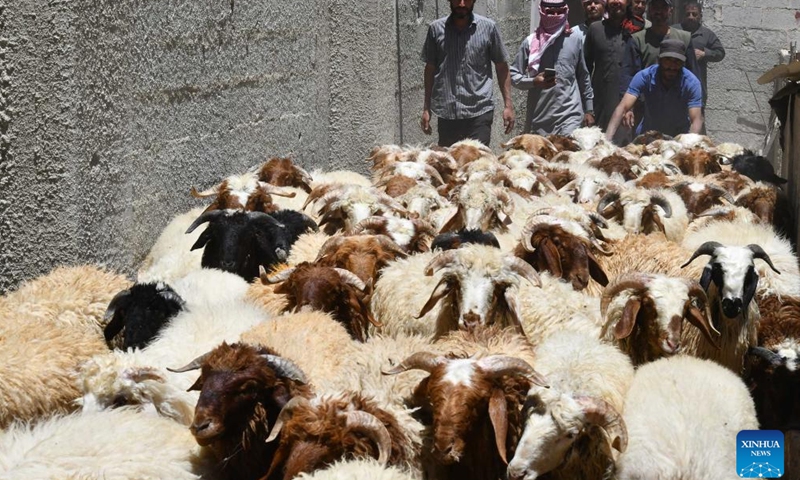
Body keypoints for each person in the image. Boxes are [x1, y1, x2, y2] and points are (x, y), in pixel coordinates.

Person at [420, 0, 514, 147]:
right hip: (448, 115)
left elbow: (502, 67)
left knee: (477, 159)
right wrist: (426, 108)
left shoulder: (489, 28)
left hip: (479, 113)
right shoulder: (435, 29)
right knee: (450, 160)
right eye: (457, 0)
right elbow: (430, 69)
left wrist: (508, 105)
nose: (462, 4)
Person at [509, 0, 594, 135]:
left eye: (559, 12)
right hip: (540, 119)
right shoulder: (530, 43)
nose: (555, 16)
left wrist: (589, 109)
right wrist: (533, 82)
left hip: (570, 116)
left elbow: (583, 76)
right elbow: (513, 75)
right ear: (542, 12)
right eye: (550, 12)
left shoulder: (574, 39)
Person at [605, 38, 703, 140]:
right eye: (668, 60)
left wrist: (689, 142)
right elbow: (623, 107)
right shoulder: (645, 76)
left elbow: (696, 119)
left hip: (678, 138)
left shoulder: (691, 82)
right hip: (649, 135)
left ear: (683, 63)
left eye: (677, 61)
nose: (672, 66)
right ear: (659, 60)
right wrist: (607, 138)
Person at [620, 0, 699, 95]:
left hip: (677, 100)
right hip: (646, 100)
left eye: (663, 7)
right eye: (655, 7)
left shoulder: (684, 38)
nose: (658, 11)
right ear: (649, 10)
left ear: (670, 11)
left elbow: (694, 75)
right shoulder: (637, 40)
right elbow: (628, 76)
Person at [584, 0, 635, 138]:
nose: (616, 2)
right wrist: (587, 108)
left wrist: (632, 107)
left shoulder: (637, 31)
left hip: (629, 105)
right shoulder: (595, 29)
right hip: (599, 104)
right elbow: (585, 70)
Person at [672, 1, 725, 108]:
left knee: (697, 115)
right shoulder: (674, 30)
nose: (691, 17)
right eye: (688, 14)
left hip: (697, 85)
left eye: (694, 14)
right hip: (674, 85)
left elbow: (720, 52)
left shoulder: (706, 34)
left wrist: (705, 53)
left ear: (700, 16)